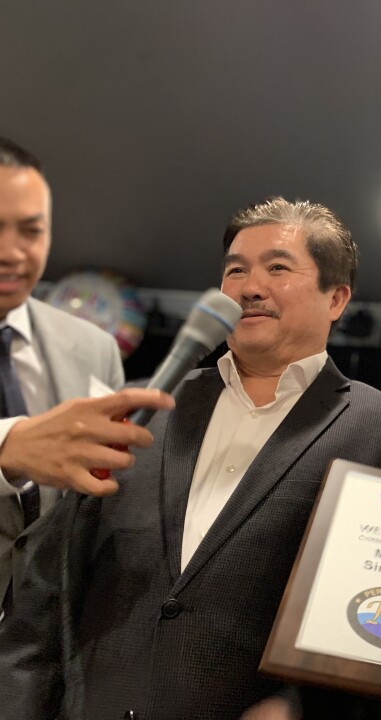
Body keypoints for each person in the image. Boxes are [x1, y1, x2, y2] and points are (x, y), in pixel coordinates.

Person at [0, 197, 381, 720]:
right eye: (235, 270)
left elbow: (374, 640)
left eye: (277, 267)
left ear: (337, 297)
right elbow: (43, 593)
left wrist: (297, 711)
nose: (249, 287)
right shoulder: (138, 407)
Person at [0, 137, 172, 614]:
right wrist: (8, 447)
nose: (12, 252)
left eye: (31, 231)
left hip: (46, 635)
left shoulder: (92, 345)